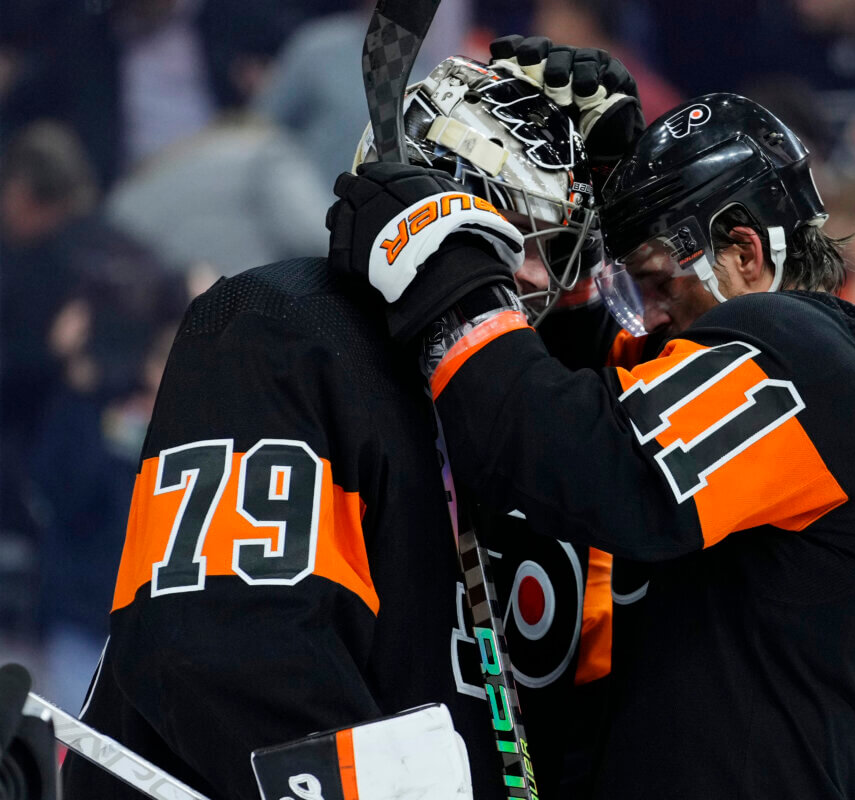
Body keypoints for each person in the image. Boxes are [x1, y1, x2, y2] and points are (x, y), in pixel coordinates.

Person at [327, 49, 855, 798]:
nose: (648, 317)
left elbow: (584, 460)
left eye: (658, 283)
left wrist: (444, 261)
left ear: (743, 250)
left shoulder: (799, 358)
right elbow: (611, 387)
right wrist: (604, 185)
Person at [61, 55, 612, 800]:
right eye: (516, 230)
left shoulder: (497, 398)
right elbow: (229, 648)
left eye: (551, 243)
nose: (539, 276)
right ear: (428, 205)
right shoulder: (281, 324)